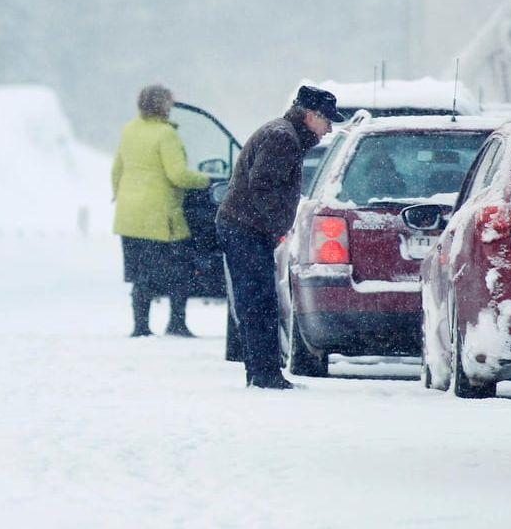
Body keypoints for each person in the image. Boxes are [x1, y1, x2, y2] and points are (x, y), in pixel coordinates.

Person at [216, 86, 343, 389]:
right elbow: (262, 184)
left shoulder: (285, 135)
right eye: (327, 121)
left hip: (246, 228)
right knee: (259, 302)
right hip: (246, 230)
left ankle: (261, 371)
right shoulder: (282, 138)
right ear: (311, 115)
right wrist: (275, 225)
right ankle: (264, 375)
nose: (329, 129)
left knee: (257, 301)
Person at [112, 84, 212, 337]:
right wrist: (205, 180)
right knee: (179, 272)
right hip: (159, 215)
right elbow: (177, 175)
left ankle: (140, 326)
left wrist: (119, 195)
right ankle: (176, 323)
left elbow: (117, 170)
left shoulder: (129, 130)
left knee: (140, 274)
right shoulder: (165, 134)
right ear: (163, 105)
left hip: (129, 216)